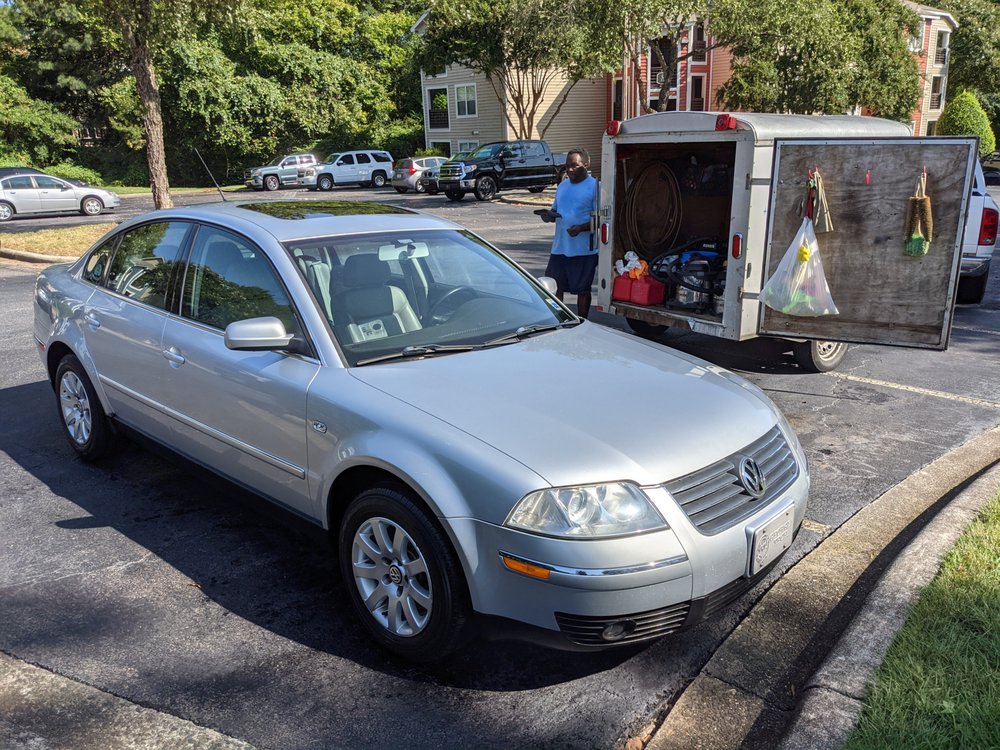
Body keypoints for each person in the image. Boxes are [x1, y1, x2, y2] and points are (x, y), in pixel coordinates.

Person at [538, 149, 598, 318]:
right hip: (560, 248)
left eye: (575, 166)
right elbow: (555, 210)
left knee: (582, 289)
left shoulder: (595, 187)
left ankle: (583, 321)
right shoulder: (562, 186)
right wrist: (548, 216)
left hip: (584, 250)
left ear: (586, 165)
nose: (570, 170)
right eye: (567, 166)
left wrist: (581, 228)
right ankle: (559, 319)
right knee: (554, 286)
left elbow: (603, 220)